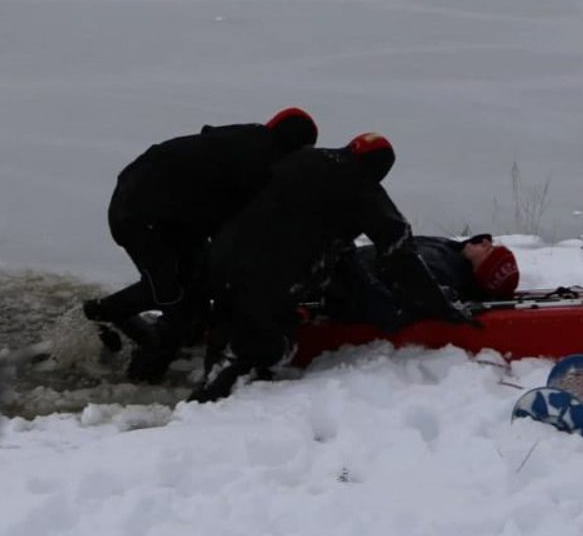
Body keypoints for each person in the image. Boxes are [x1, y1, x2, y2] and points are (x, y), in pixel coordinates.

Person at [190, 132, 476, 402]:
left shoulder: (302, 158)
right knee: (270, 346)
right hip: (266, 276)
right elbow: (400, 254)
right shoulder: (362, 188)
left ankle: (208, 372)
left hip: (223, 257)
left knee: (228, 324)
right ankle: (211, 405)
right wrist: (439, 305)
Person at [83, 107, 318, 382]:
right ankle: (139, 381)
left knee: (192, 279)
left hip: (159, 208)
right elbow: (241, 228)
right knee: (174, 298)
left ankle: (112, 314)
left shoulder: (248, 139)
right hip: (143, 216)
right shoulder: (260, 164)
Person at [323, 233, 520, 329]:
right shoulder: (453, 252)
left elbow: (417, 294)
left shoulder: (444, 271)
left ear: (480, 269)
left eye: (488, 250)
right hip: (332, 265)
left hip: (334, 279)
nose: (486, 242)